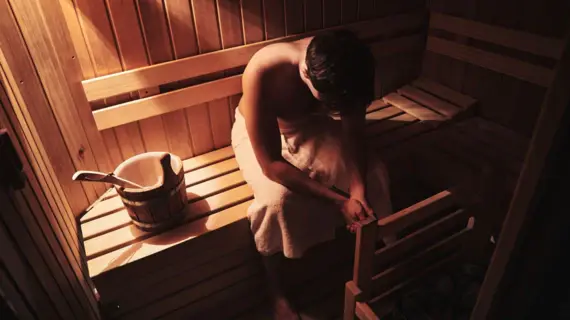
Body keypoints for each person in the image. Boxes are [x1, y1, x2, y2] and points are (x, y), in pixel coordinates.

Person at [231, 29, 392, 319]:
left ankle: (376, 264)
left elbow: (354, 132)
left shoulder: (346, 68)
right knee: (276, 202)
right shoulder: (265, 70)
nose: (342, 111)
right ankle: (278, 291)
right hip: (263, 133)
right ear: (306, 74)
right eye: (335, 107)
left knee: (375, 175)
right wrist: (339, 201)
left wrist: (357, 190)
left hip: (310, 126)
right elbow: (271, 165)